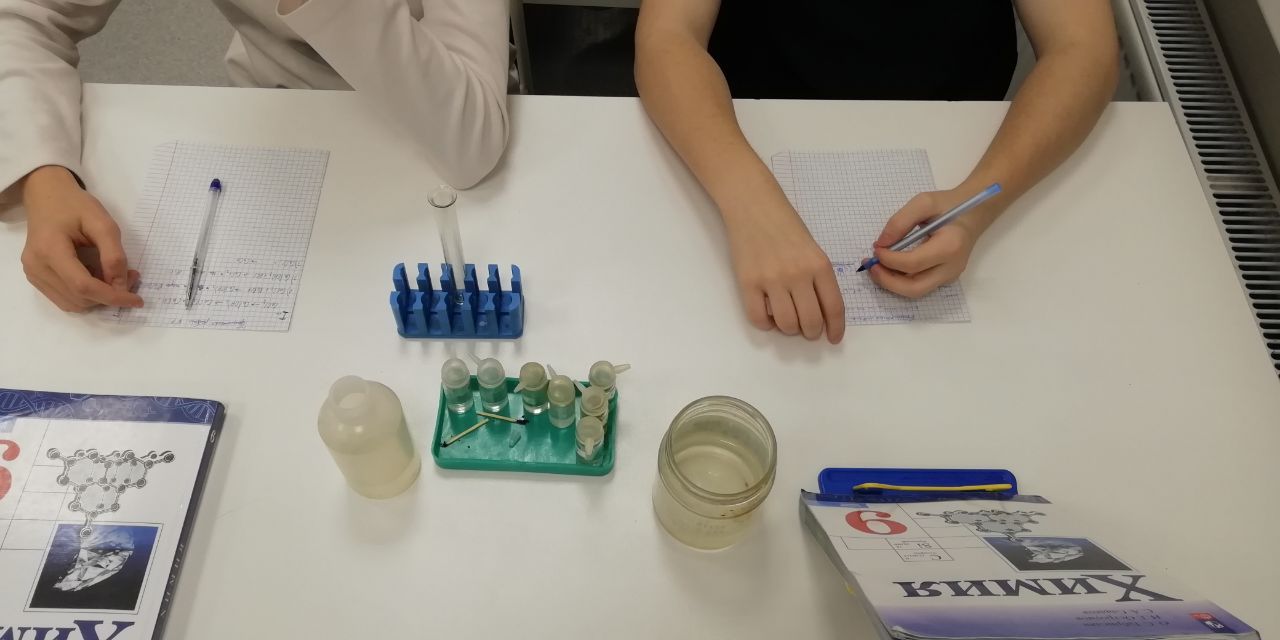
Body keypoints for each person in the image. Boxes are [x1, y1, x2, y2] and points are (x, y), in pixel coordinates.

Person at [635, 1, 1119, 344]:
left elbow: (1084, 48)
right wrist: (750, 204)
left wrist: (979, 203)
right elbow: (668, 36)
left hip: (958, 140)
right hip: (743, 125)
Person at [0, 0, 510, 312]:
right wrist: (42, 176)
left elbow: (470, 140)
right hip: (278, 113)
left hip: (430, 116)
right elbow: (22, 17)